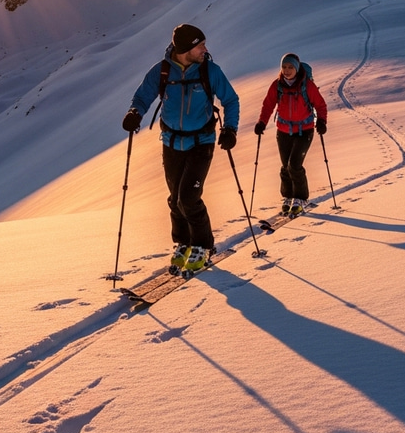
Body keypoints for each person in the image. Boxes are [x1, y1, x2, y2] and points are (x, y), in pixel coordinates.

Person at [122, 24, 240, 274]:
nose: (205, 49)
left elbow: (230, 100)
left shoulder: (210, 70)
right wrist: (135, 113)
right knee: (175, 198)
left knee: (189, 197)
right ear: (186, 49)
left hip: (202, 142)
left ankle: (203, 245)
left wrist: (230, 129)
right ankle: (183, 242)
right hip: (171, 142)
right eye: (200, 45)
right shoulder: (163, 71)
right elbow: (142, 97)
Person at [254, 53, 327, 216]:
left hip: (305, 130)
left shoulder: (307, 85)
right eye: (284, 67)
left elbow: (320, 104)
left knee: (294, 165)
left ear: (297, 68)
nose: (287, 71)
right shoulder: (277, 85)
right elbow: (268, 105)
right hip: (283, 131)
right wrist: (261, 122)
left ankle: (301, 198)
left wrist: (322, 121)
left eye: (290, 67)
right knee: (285, 165)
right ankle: (288, 196)